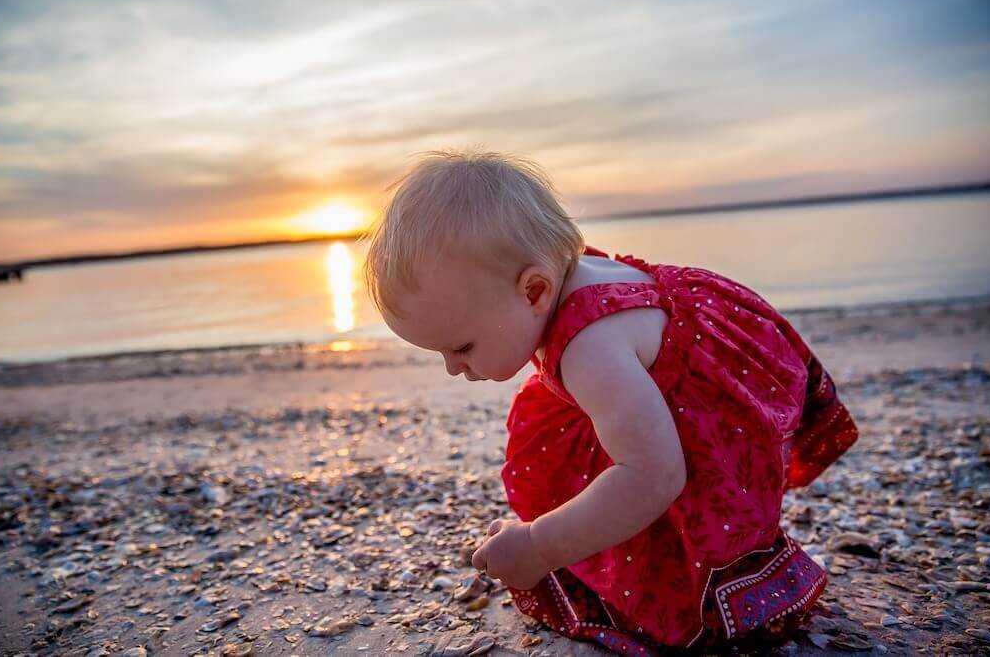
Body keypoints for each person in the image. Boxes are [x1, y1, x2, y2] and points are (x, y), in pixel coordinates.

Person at [362, 149, 859, 653]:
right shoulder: (567, 278)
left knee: (647, 493)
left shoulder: (590, 348)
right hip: (671, 390)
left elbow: (654, 475)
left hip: (709, 420)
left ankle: (709, 593)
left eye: (461, 346)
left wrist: (540, 546)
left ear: (534, 292)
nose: (453, 367)